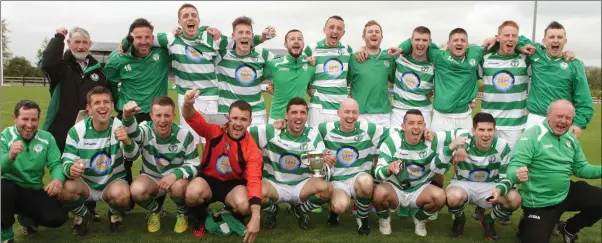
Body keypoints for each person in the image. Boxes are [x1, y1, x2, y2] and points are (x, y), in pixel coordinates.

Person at [120, 3, 273, 146]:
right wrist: (124, 44)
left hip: (211, 99)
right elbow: (141, 38)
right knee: (190, 141)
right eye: (185, 16)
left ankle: (209, 173)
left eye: (193, 15)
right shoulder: (171, 39)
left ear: (199, 20)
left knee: (213, 140)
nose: (190, 18)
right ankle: (192, 172)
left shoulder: (212, 38)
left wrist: (262, 37)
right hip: (186, 99)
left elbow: (241, 41)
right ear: (179, 22)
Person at [39, 26, 113, 224]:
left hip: (89, 130)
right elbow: (47, 61)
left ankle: (90, 207)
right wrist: (58, 37)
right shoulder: (61, 66)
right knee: (66, 167)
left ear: (89, 44)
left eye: (84, 42)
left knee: (88, 166)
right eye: (76, 42)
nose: (81, 46)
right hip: (61, 127)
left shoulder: (98, 71)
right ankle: (68, 207)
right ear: (70, 44)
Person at [507, 99, 601, 243]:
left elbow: (581, 168)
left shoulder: (570, 139)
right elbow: (514, 166)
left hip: (565, 192)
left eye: (568, 118)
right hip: (539, 202)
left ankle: (570, 228)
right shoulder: (532, 136)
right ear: (548, 116)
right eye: (559, 116)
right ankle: (526, 224)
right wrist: (516, 174)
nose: (563, 121)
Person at [103, 18, 171, 210]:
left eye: (148, 37)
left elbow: (174, 38)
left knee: (158, 158)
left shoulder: (162, 55)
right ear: (130, 37)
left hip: (155, 116)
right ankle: (124, 201)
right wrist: (124, 44)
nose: (144, 41)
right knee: (121, 158)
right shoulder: (120, 57)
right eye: (138, 37)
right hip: (128, 115)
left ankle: (157, 200)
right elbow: (110, 76)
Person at [181, 89, 262, 243]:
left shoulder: (251, 149)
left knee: (245, 206)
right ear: (228, 118)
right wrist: (187, 104)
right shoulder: (215, 130)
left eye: (243, 119)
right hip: (209, 180)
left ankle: (228, 214)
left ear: (250, 122)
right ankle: (201, 217)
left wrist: (256, 216)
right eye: (235, 118)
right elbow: (191, 117)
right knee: (192, 193)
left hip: (233, 185)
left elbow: (254, 181)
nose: (238, 123)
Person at [390, 29, 501, 132]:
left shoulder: (475, 52)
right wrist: (401, 49)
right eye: (455, 40)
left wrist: (495, 39)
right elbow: (418, 43)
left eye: (463, 40)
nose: (459, 43)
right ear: (448, 43)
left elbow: (502, 44)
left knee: (463, 151)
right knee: (437, 151)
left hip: (465, 116)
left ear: (467, 44)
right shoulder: (438, 56)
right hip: (441, 117)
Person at [57, 86, 134, 236]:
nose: (102, 106)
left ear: (112, 106)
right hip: (85, 183)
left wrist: (127, 142)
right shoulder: (77, 130)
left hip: (111, 181)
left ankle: (114, 215)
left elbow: (132, 156)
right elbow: (66, 158)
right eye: (97, 102)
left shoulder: (119, 126)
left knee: (124, 195)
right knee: (64, 191)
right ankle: (83, 214)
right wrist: (71, 168)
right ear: (89, 109)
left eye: (106, 102)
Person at [251, 97, 334, 230]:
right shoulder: (271, 131)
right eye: (294, 112)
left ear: (307, 116)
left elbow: (321, 158)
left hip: (301, 186)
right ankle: (272, 210)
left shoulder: (312, 135)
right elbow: (243, 132)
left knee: (327, 189)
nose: (299, 117)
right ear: (286, 115)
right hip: (275, 184)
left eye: (302, 112)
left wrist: (327, 160)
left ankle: (300, 210)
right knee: (255, 191)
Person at [121, 97, 200, 233]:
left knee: (178, 187)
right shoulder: (145, 129)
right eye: (158, 115)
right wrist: (127, 117)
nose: (162, 120)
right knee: (136, 190)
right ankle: (155, 210)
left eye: (167, 115)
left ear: (174, 116)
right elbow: (134, 134)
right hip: (151, 177)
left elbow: (194, 165)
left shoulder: (184, 134)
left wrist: (174, 175)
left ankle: (182, 213)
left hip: (175, 181)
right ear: (151, 115)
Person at [437, 112, 521, 240]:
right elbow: (438, 167)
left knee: (515, 199)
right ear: (473, 131)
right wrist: (450, 150)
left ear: (495, 130)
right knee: (452, 197)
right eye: (481, 130)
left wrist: (499, 189)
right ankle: (459, 218)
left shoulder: (502, 146)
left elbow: (507, 176)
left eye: (489, 130)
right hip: (463, 184)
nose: (486, 134)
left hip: (491, 186)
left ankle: (489, 219)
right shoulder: (462, 143)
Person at [316, 98, 388, 235]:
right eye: (347, 112)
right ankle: (333, 212)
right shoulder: (325, 129)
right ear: (338, 113)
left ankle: (362, 218)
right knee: (340, 206)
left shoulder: (369, 129)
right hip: (338, 181)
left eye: (354, 112)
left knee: (367, 181)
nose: (350, 116)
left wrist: (424, 132)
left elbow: (396, 133)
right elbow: (305, 133)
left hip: (359, 178)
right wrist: (283, 124)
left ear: (358, 114)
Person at [1, 100, 69, 243]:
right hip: (9, 189)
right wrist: (10, 156)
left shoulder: (47, 138)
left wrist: (57, 179)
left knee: (58, 217)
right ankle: (6, 235)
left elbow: (55, 164)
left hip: (33, 189)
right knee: (3, 190)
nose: (30, 125)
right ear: (15, 118)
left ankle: (27, 219)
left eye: (34, 119)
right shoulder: (5, 136)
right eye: (25, 119)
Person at [372, 109, 448, 237]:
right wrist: (388, 168)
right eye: (411, 123)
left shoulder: (432, 141)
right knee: (379, 193)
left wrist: (459, 148)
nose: (416, 127)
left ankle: (420, 218)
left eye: (420, 123)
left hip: (420, 188)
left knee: (440, 197)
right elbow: (378, 173)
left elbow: (458, 139)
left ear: (424, 126)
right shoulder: (392, 141)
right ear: (403, 126)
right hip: (395, 188)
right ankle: (384, 219)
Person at [515, 21, 594, 138]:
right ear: (544, 41)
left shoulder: (574, 64)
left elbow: (584, 99)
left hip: (561, 122)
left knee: (557, 156)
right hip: (535, 119)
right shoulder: (535, 53)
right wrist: (517, 45)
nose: (555, 40)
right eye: (551, 37)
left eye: (560, 37)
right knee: (528, 155)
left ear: (565, 41)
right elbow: (512, 39)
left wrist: (578, 124)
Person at [215, 16, 276, 126]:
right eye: (240, 32)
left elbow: (282, 67)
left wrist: (276, 84)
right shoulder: (222, 55)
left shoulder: (262, 54)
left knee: (256, 144)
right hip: (227, 113)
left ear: (252, 36)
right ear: (233, 36)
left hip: (256, 114)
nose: (244, 35)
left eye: (248, 32)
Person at [305, 15, 353, 127]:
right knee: (315, 140)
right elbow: (301, 71)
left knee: (337, 142)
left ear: (343, 33)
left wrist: (362, 49)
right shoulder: (311, 49)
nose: (335, 31)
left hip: (340, 108)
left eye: (339, 29)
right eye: (331, 27)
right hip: (318, 106)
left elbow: (349, 75)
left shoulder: (347, 49)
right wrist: (308, 88)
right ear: (324, 29)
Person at [347, 21, 395, 128]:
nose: (374, 34)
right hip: (359, 115)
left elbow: (396, 80)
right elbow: (344, 83)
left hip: (383, 115)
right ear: (363, 37)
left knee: (383, 145)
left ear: (381, 37)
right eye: (370, 32)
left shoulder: (389, 58)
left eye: (377, 32)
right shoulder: (354, 59)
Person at [264, 29, 316, 124]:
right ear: (285, 44)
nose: (296, 41)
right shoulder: (274, 65)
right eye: (292, 39)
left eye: (299, 39)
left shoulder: (310, 67)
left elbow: (311, 88)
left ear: (303, 44)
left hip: (300, 120)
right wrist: (272, 85)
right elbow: (256, 79)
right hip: (277, 118)